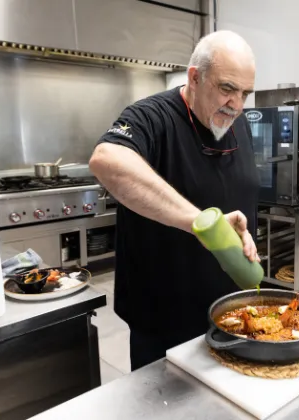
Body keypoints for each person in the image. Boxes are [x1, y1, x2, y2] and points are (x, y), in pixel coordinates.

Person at [89, 30, 260, 371]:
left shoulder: (236, 123)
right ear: (195, 78)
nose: (237, 105)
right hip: (163, 322)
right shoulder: (152, 117)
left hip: (230, 314)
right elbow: (107, 160)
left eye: (245, 93)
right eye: (227, 88)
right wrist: (203, 225)